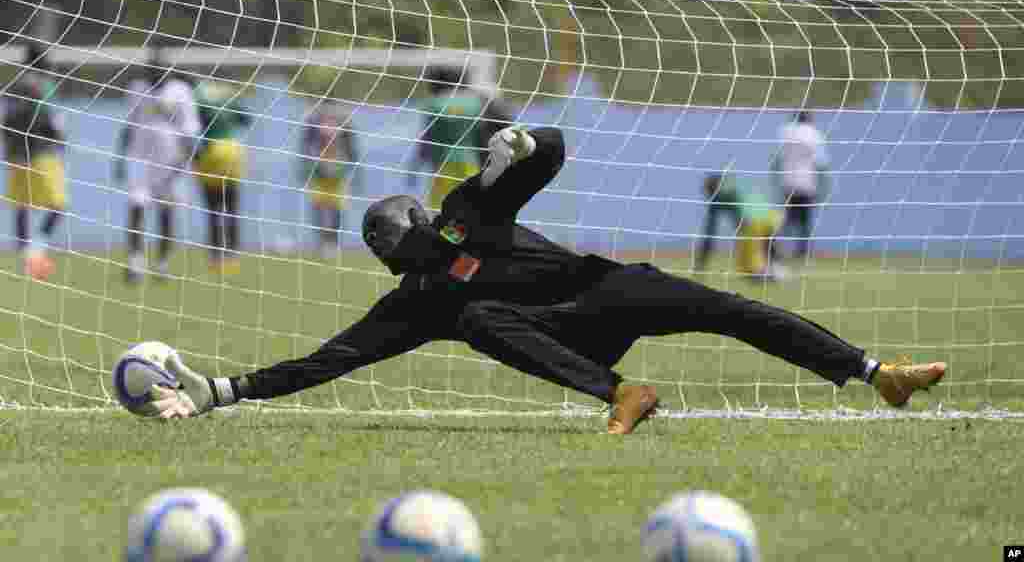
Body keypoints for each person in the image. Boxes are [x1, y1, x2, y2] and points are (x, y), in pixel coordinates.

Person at [148, 127, 946, 434]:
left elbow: (550, 154)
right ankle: (620, 394)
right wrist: (225, 391)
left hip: (605, 288)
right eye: (400, 241)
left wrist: (525, 141)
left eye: (401, 235)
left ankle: (877, 373)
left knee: (729, 307)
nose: (406, 246)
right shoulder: (417, 303)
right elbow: (331, 360)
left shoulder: (466, 208)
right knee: (477, 321)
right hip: (569, 337)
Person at [114, 57, 201, 284]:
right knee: (136, 206)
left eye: (160, 73)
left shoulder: (181, 92)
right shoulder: (136, 89)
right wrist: (120, 159)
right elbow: (129, 125)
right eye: (152, 73)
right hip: (140, 159)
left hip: (170, 161)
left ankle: (162, 263)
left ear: (169, 73)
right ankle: (135, 262)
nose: (156, 77)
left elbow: (190, 131)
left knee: (167, 211)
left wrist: (185, 161)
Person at [409, 65, 511, 211]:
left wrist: (415, 166)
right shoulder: (476, 102)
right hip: (471, 161)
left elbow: (427, 138)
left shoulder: (433, 104)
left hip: (443, 163)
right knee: (471, 205)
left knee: (440, 209)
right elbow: (495, 124)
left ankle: (445, 226)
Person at [3, 45, 66, 281]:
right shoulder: (44, 86)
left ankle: (26, 259)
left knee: (22, 206)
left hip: (16, 155)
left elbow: (5, 120)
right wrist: (60, 140)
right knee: (58, 205)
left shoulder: (13, 86)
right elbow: (51, 119)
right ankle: (37, 248)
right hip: (42, 153)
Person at [193, 80, 252, 275]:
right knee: (232, 208)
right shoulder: (228, 93)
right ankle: (232, 257)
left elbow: (192, 123)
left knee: (213, 209)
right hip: (232, 151)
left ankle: (216, 257)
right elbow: (246, 119)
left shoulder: (198, 93)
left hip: (209, 150)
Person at [696, 169, 784, 280]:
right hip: (773, 217)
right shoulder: (737, 186)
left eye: (707, 191)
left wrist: (701, 263)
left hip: (755, 222)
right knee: (759, 253)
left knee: (749, 265)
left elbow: (709, 233)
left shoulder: (721, 195)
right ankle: (775, 268)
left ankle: (769, 272)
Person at [300, 102, 360, 258]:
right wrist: (309, 166)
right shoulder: (313, 120)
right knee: (319, 206)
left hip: (337, 171)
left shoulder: (343, 120)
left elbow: (351, 146)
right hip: (319, 171)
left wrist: (350, 165)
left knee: (336, 208)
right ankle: (323, 242)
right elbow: (306, 145)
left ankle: (332, 241)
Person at [773, 111, 829, 259]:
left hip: (788, 181)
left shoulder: (785, 132)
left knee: (788, 217)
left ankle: (774, 244)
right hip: (807, 181)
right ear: (809, 118)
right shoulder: (814, 134)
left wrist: (775, 181)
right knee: (805, 219)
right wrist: (824, 186)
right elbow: (821, 162)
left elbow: (777, 159)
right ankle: (802, 250)